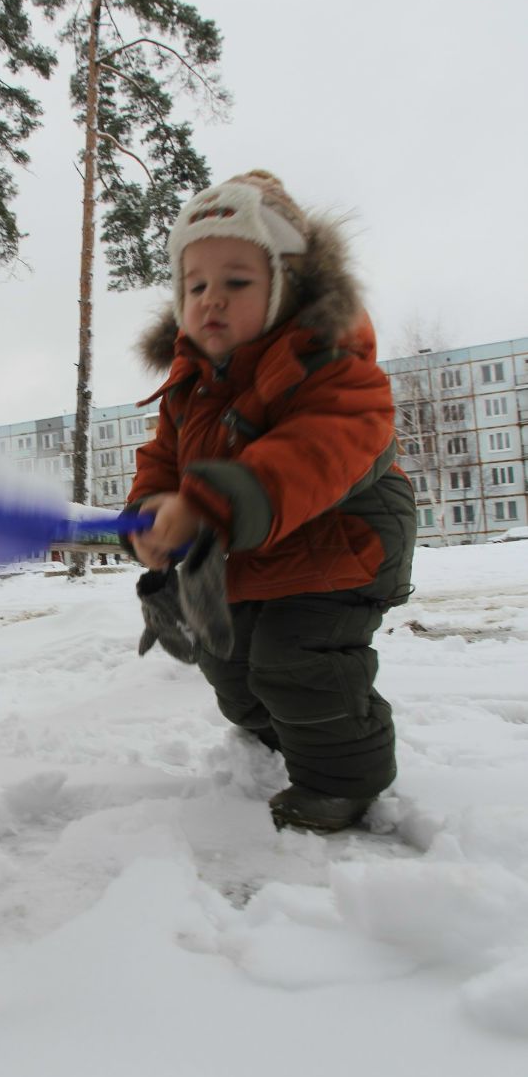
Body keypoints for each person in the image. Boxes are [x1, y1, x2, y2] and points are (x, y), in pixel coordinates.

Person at [124, 170, 416, 834]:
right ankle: (288, 731)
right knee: (230, 666)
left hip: (342, 544)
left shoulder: (329, 362)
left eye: (237, 281)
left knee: (297, 664)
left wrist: (211, 504)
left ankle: (342, 781)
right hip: (251, 546)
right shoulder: (190, 384)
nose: (210, 300)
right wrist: (151, 513)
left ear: (287, 287)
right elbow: (164, 460)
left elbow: (322, 449)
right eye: (195, 285)